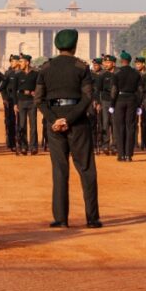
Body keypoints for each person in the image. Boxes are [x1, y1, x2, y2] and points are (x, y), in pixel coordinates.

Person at [35, 29, 101, 229]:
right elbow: (88, 97)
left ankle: (61, 218)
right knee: (86, 169)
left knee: (59, 170)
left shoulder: (46, 68)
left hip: (53, 122)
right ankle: (91, 218)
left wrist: (55, 120)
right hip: (78, 122)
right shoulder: (81, 67)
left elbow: (38, 99)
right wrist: (69, 119)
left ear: (57, 46)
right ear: (74, 46)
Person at [110, 51, 142, 162]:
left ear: (121, 61)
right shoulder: (136, 73)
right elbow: (140, 91)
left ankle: (121, 154)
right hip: (132, 100)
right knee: (130, 127)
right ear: (130, 61)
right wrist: (139, 104)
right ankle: (129, 155)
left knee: (120, 127)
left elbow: (114, 90)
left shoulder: (117, 73)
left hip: (120, 100)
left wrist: (112, 104)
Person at [14, 54, 39, 155]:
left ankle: (33, 147)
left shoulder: (35, 74)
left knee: (33, 125)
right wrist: (15, 104)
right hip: (21, 101)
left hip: (32, 102)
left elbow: (39, 87)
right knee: (22, 125)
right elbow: (14, 91)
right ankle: (23, 146)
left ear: (27, 62)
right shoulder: (18, 75)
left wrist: (35, 93)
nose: (20, 64)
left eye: (21, 62)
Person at [98, 54, 117, 155]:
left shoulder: (118, 74)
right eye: (104, 62)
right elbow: (98, 90)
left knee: (115, 123)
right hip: (105, 101)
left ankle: (115, 145)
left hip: (116, 102)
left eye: (108, 62)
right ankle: (105, 145)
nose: (105, 64)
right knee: (105, 123)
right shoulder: (102, 75)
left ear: (113, 63)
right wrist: (98, 102)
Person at [1, 55, 20, 152]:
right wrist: (4, 98)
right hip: (10, 100)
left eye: (13, 61)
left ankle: (21, 141)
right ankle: (11, 142)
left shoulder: (22, 73)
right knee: (10, 121)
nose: (11, 63)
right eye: (11, 61)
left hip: (21, 100)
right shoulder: (8, 73)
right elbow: (3, 87)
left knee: (21, 122)